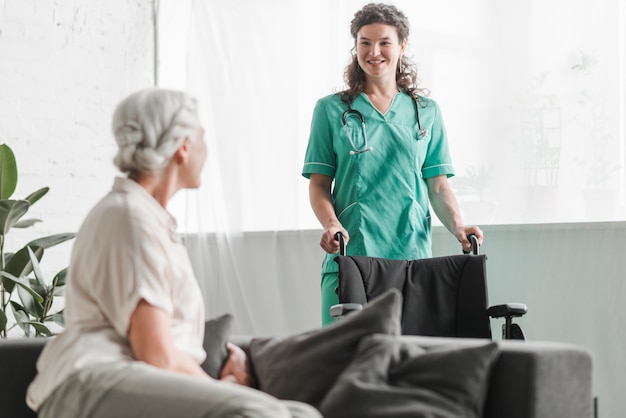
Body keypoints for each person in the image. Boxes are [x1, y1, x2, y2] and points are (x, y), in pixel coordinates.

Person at [27, 88, 321, 418]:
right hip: (93, 383)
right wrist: (221, 391)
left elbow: (167, 342)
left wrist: (228, 355)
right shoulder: (129, 217)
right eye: (203, 138)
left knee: (299, 413)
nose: (207, 150)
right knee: (264, 414)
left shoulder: (144, 218)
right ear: (183, 147)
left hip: (129, 381)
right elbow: (156, 353)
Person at [302, 3, 484, 326]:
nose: (374, 52)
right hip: (350, 257)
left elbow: (438, 186)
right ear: (355, 47)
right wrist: (330, 224)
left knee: (406, 364)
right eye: (364, 42)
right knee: (341, 362)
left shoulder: (425, 112)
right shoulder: (330, 111)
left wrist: (458, 225)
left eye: (384, 42)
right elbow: (318, 185)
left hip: (410, 263)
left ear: (402, 46)